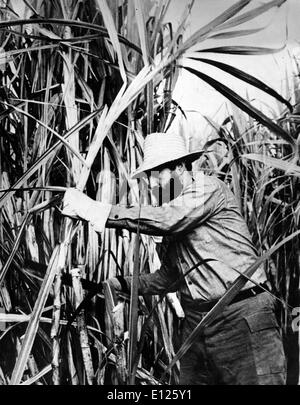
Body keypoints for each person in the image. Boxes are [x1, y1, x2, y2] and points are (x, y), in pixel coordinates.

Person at [62, 131, 286, 385]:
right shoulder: (174, 212)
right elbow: (171, 277)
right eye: (149, 178)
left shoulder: (206, 188)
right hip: (197, 326)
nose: (152, 184)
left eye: (158, 176)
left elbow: (169, 220)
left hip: (240, 315)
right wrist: (123, 284)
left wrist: (96, 209)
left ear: (180, 167)